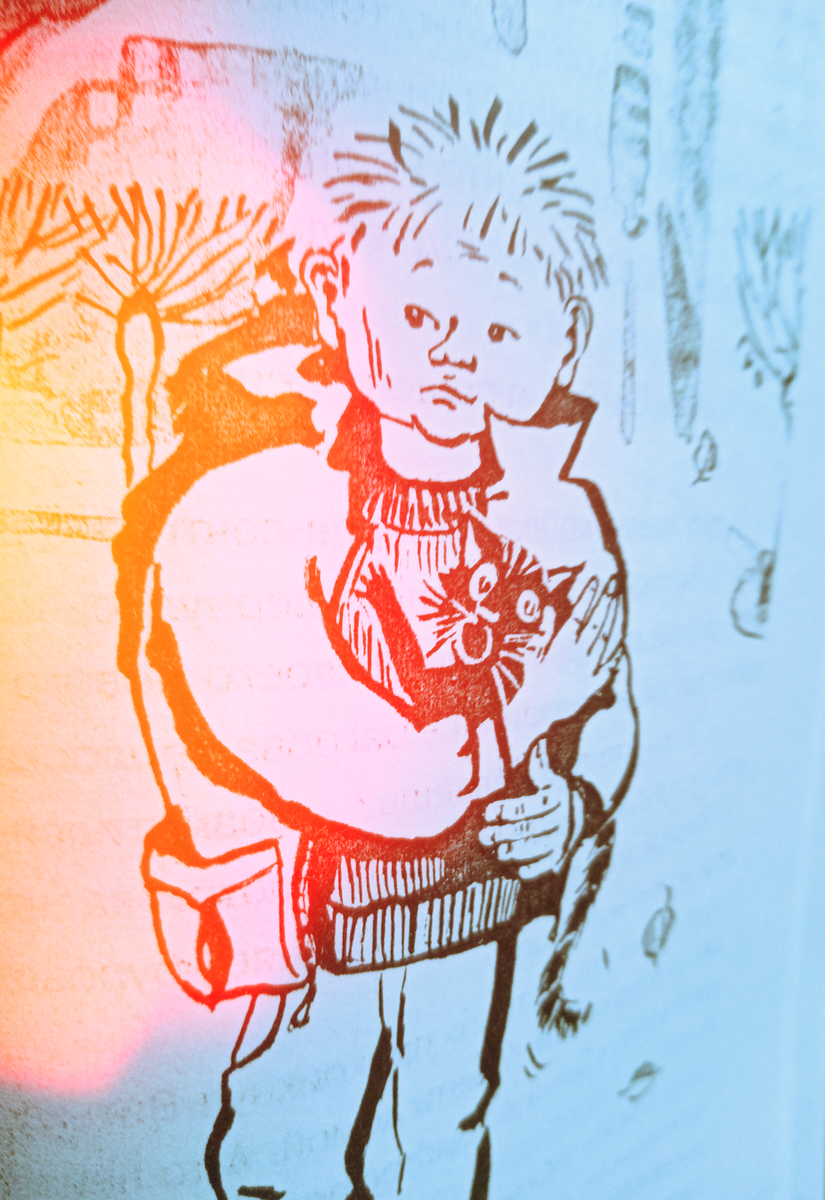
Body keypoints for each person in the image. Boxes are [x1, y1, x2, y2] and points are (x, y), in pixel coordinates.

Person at [114, 95, 638, 1200]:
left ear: (558, 343)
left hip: (478, 907)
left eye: (498, 333)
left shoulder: (559, 517)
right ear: (337, 291)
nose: (456, 357)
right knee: (286, 1139)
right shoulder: (259, 507)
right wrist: (538, 700)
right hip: (319, 920)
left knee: (448, 1120)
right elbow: (385, 779)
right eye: (421, 315)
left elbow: (611, 699)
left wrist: (575, 802)